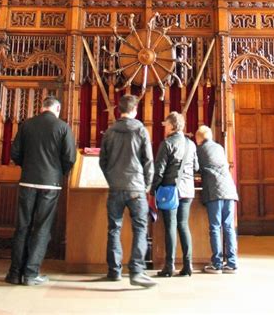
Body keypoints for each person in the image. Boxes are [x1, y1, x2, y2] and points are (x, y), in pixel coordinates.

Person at [5, 96, 76, 286]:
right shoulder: (62, 127)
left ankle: (14, 273)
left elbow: (15, 153)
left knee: (22, 227)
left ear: (42, 107)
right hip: (50, 184)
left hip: (27, 181)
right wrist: (59, 173)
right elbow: (70, 157)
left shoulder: (26, 125)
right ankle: (31, 273)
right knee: (42, 228)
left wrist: (27, 166)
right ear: (58, 108)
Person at [99, 94, 156, 288]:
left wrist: (112, 180)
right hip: (136, 187)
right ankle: (137, 271)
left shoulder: (109, 131)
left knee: (113, 229)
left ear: (119, 110)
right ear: (135, 110)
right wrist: (146, 186)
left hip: (116, 187)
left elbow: (103, 161)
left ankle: (114, 271)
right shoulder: (140, 130)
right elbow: (148, 161)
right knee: (140, 229)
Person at [152, 111, 198, 277]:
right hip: (187, 190)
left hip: (170, 190)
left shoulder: (167, 144)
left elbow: (159, 170)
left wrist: (152, 189)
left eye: (166, 124)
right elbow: (196, 167)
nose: (164, 128)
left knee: (170, 227)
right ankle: (188, 265)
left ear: (171, 125)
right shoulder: (191, 144)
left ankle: (169, 266)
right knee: (183, 226)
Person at [195, 125, 239, 274]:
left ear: (198, 138)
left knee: (215, 227)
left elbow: (195, 167)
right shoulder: (219, 148)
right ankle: (232, 263)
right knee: (228, 227)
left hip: (214, 192)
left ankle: (217, 263)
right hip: (229, 190)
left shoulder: (199, 149)